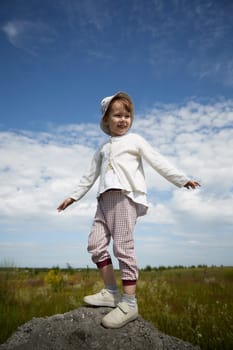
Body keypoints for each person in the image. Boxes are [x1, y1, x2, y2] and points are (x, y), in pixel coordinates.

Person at [57, 92, 200, 328]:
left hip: (125, 197)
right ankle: (111, 292)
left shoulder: (136, 141)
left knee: (122, 247)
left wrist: (182, 179)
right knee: (95, 244)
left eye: (127, 115)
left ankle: (130, 303)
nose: (123, 119)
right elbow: (88, 177)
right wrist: (73, 196)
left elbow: (157, 160)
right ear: (106, 120)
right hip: (103, 200)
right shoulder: (102, 149)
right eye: (117, 115)